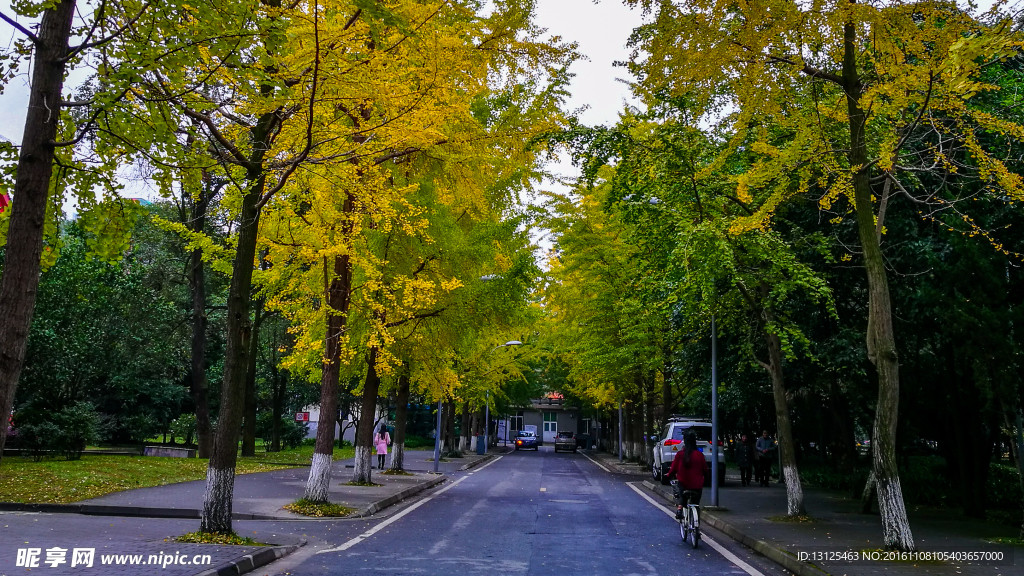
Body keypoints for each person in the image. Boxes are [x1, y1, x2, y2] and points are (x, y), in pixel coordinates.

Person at [667, 432, 708, 520]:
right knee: (696, 504)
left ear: (684, 442)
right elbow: (705, 469)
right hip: (697, 485)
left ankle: (680, 509)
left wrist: (668, 475)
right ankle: (696, 527)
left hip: (684, 483)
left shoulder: (680, 454)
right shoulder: (699, 455)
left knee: (682, 495)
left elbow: (673, 469)